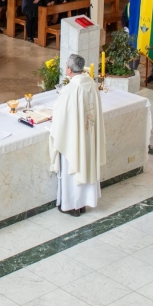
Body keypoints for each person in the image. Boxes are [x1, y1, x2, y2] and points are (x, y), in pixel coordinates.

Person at [49, 54, 105, 216]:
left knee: (73, 167)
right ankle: (83, 203)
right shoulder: (92, 84)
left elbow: (60, 116)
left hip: (74, 138)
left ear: (69, 69)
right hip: (89, 135)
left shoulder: (70, 89)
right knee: (87, 164)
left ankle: (72, 205)